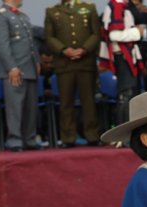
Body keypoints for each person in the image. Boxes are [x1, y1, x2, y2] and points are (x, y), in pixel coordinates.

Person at [45, 0, 102, 148]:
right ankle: (68, 138)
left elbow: (96, 34)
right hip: (64, 63)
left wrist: (84, 49)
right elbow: (49, 37)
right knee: (66, 103)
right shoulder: (52, 11)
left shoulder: (89, 8)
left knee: (88, 101)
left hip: (85, 62)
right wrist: (64, 50)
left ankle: (92, 135)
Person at [0, 0, 42, 152]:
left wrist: (37, 61)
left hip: (29, 67)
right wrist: (11, 67)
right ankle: (15, 141)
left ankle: (29, 139)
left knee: (30, 107)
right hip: (14, 69)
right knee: (15, 107)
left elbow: (31, 44)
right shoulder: (0, 16)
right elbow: (2, 45)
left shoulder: (23, 16)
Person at [98, 0, 145, 141]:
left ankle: (129, 133)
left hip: (129, 55)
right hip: (122, 55)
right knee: (126, 94)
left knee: (131, 94)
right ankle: (123, 135)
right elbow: (114, 35)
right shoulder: (116, 6)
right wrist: (137, 32)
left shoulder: (124, 6)